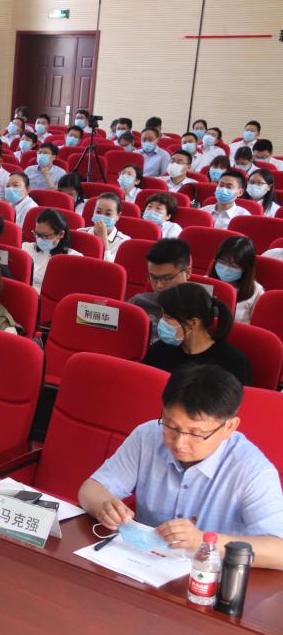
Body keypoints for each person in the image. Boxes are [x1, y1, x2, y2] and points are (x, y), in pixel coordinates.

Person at [78, 365, 283, 567]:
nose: (179, 443)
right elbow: (90, 490)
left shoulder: (253, 470)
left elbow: (279, 551)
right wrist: (104, 506)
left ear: (229, 427)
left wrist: (203, 541)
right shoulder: (147, 437)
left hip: (208, 576)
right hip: (141, 564)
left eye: (196, 433)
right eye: (171, 426)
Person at [143, 283, 252, 386]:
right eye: (163, 316)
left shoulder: (233, 362)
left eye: (168, 318)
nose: (162, 322)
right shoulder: (159, 350)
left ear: (193, 323)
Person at [129, 239, 193, 338]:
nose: (159, 285)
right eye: (153, 277)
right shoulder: (137, 304)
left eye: (167, 279)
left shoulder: (200, 310)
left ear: (188, 272)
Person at [24, 207, 81, 291]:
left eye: (45, 236)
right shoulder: (25, 248)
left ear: (61, 234)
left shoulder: (74, 258)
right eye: (37, 234)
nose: (39, 239)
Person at [211, 236, 264, 324]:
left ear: (246, 269)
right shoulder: (206, 281)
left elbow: (255, 327)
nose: (226, 268)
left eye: (234, 266)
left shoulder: (257, 292)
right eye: (222, 262)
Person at [79, 192, 130, 261]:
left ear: (118, 216)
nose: (101, 217)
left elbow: (110, 266)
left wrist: (104, 239)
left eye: (108, 214)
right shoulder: (81, 232)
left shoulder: (124, 242)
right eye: (98, 212)